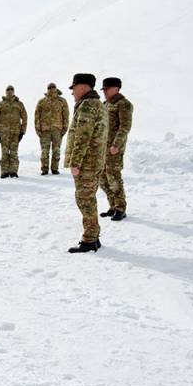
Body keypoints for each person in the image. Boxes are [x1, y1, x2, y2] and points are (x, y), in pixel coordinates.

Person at [65, 73, 108, 254]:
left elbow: (83, 136)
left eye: (74, 88)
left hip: (86, 163)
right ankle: (93, 236)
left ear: (82, 87)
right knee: (88, 198)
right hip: (94, 161)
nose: (72, 92)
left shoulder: (88, 106)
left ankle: (90, 239)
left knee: (84, 199)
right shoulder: (97, 104)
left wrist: (75, 162)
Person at [99, 77, 133, 221]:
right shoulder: (105, 104)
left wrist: (116, 145)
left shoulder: (124, 104)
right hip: (101, 148)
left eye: (107, 89)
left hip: (114, 149)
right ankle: (112, 205)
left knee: (113, 177)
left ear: (116, 88)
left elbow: (124, 127)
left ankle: (120, 208)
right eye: (104, 89)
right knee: (102, 178)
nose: (104, 92)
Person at [34, 82, 70, 175]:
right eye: (49, 87)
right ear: (47, 89)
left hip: (57, 129)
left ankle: (55, 168)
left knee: (56, 150)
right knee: (44, 150)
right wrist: (38, 129)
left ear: (56, 88)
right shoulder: (42, 101)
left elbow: (66, 116)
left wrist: (64, 129)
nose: (51, 89)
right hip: (45, 130)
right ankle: (44, 169)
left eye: (53, 87)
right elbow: (37, 116)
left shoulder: (62, 101)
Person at [0, 85, 27, 178]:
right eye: (8, 89)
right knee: (4, 152)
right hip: (3, 133)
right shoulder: (0, 104)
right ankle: (4, 171)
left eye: (12, 89)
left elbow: (24, 118)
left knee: (14, 152)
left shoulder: (19, 104)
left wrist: (22, 132)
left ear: (14, 91)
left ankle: (13, 171)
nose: (10, 91)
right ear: (5, 91)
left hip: (16, 132)